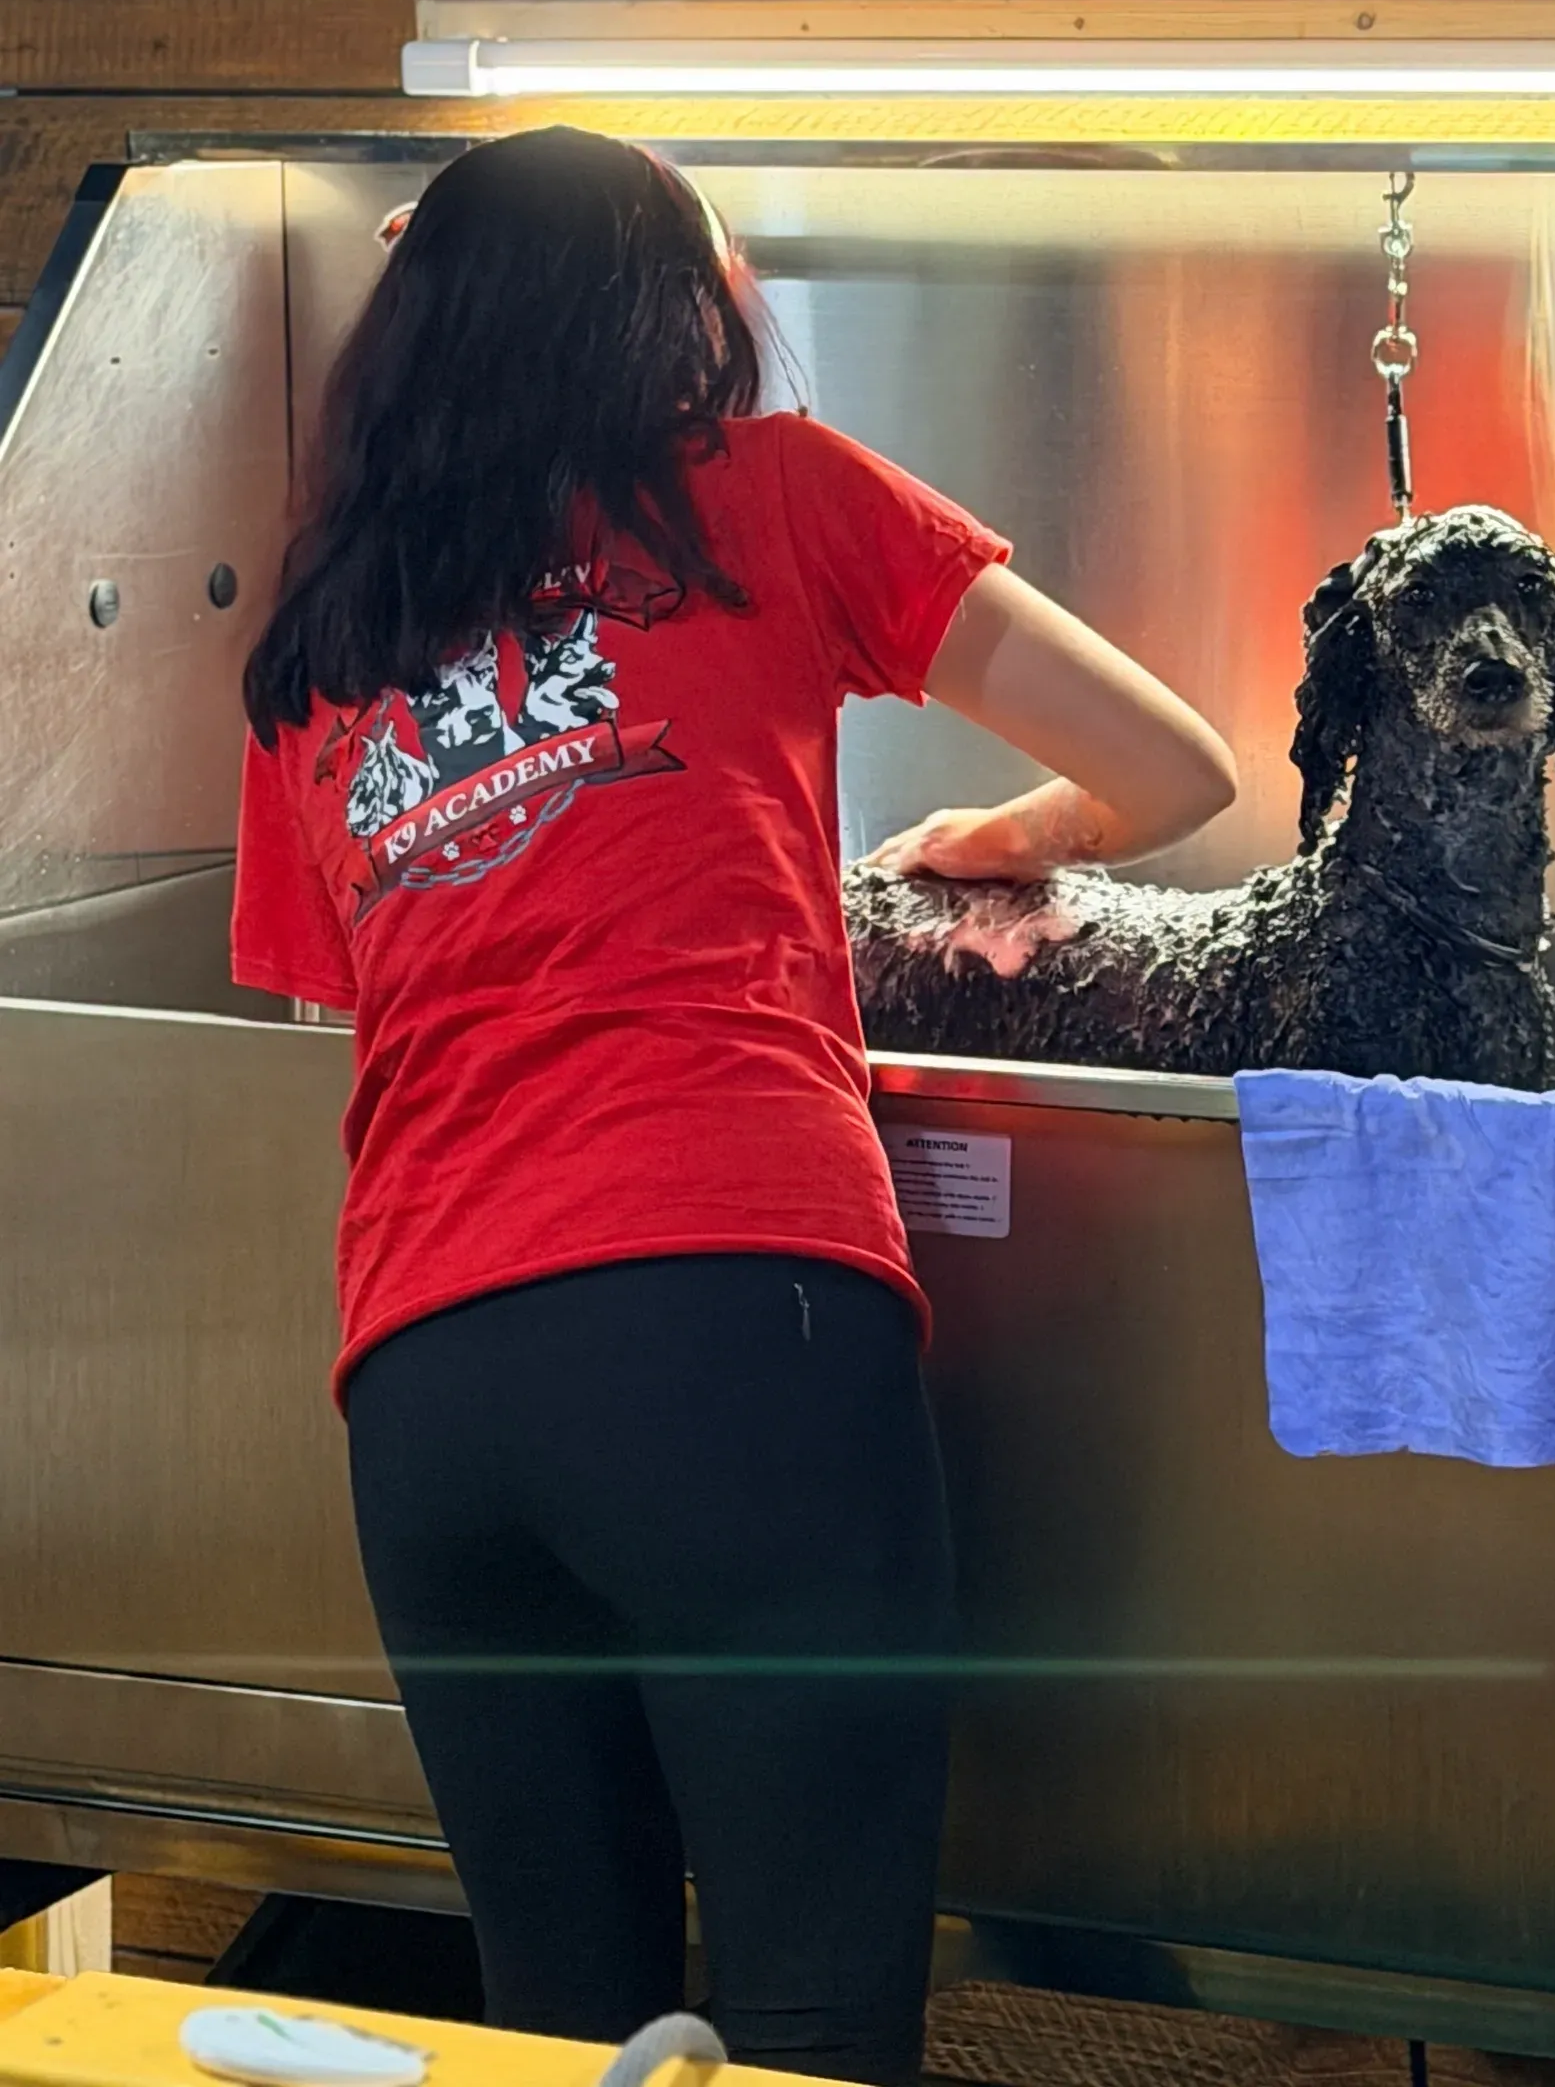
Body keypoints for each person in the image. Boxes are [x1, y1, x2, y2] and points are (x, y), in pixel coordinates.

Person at [231, 128, 1236, 2084]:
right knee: (797, 2030)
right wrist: (1016, 829)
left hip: (428, 1395)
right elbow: (1172, 761)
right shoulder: (766, 494)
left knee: (564, 2034)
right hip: (730, 1316)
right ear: (669, 305)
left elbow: (331, 999)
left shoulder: (319, 644)